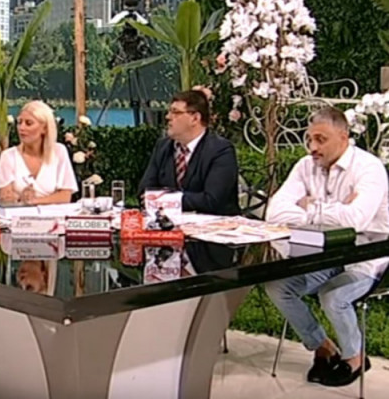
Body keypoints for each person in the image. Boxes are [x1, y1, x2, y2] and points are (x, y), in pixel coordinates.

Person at [265, 106, 389, 387]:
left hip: (368, 256)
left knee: (333, 296)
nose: (312, 147)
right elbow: (275, 212)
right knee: (277, 286)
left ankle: (355, 358)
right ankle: (323, 347)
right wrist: (334, 209)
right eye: (309, 139)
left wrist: (310, 206)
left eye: (321, 140)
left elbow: (356, 220)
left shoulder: (369, 168)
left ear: (344, 137)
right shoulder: (305, 166)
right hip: (321, 254)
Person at [137, 90, 240, 215]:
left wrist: (166, 199)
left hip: (214, 224)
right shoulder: (163, 147)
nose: (168, 117)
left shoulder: (220, 150)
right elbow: (144, 193)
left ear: (195, 118)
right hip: (169, 223)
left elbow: (212, 200)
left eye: (175, 112)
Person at [0, 100, 78, 205]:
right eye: (19, 122)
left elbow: (65, 196)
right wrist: (19, 199)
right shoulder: (8, 156)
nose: (21, 128)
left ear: (44, 128)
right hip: (18, 214)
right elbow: (5, 198)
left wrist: (33, 201)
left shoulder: (59, 151)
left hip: (53, 214)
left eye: (28, 123)